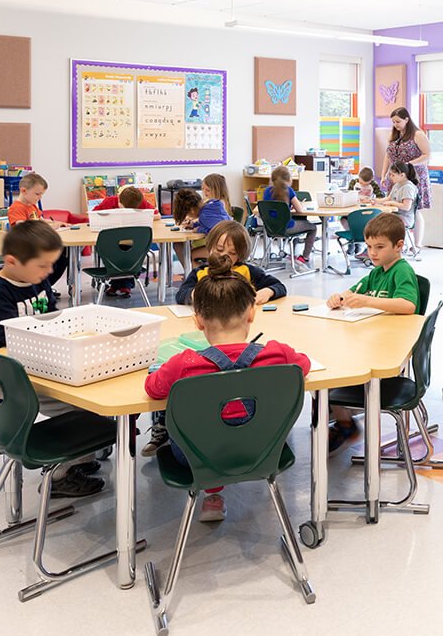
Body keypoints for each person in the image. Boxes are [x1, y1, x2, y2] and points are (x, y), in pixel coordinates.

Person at [145, 252, 310, 522]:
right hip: (263, 449)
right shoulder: (278, 355)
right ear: (252, 313)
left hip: (196, 458)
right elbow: (301, 366)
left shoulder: (182, 364)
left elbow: (153, 389)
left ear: (198, 320)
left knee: (187, 425)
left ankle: (212, 493)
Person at [0, 220, 103, 498]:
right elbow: (5, 340)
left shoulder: (36, 279)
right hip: (9, 381)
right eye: (43, 265)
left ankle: (78, 458)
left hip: (39, 367)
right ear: (12, 261)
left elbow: (53, 317)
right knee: (81, 409)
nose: (50, 272)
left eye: (51, 265)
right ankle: (59, 474)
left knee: (92, 396)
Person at [324, 212, 419, 453]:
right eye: (368, 247)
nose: (372, 253)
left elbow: (408, 306)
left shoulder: (401, 270)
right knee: (328, 365)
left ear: (399, 246)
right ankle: (343, 419)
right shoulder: (376, 272)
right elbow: (353, 291)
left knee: (329, 376)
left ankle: (344, 421)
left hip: (388, 351)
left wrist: (367, 301)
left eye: (379, 247)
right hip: (372, 341)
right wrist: (339, 297)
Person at [175, 221, 286, 306]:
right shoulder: (200, 273)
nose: (224, 255)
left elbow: (279, 286)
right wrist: (195, 294)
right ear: (209, 248)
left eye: (232, 253)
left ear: (239, 255)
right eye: (219, 249)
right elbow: (181, 295)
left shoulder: (248, 271)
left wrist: (268, 292)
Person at [8, 172, 69, 289]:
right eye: (37, 194)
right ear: (24, 191)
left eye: (41, 194)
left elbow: (40, 219)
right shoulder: (16, 208)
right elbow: (24, 227)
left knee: (62, 257)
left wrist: (58, 223)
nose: (40, 197)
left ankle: (44, 288)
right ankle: (41, 288)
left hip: (37, 244)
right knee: (55, 260)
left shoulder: (32, 205)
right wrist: (48, 227)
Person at [382, 106, 431, 250]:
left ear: (407, 120)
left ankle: (416, 244)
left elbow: (427, 155)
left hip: (414, 175)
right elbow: (387, 156)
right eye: (393, 122)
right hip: (396, 175)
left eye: (398, 121)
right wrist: (385, 173)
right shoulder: (394, 136)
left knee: (414, 209)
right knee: (394, 208)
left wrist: (408, 164)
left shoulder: (418, 134)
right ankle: (398, 242)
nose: (395, 125)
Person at [95, 186, 157, 298]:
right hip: (111, 241)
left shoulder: (140, 202)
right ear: (119, 199)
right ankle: (121, 284)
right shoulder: (109, 202)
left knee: (128, 251)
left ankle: (120, 284)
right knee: (116, 251)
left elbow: (157, 215)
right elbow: (93, 216)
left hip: (132, 242)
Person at [262, 165, 316, 267]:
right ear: (288, 179)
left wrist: (285, 209)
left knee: (297, 222)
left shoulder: (266, 191)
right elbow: (299, 210)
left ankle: (293, 254)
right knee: (313, 227)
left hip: (270, 227)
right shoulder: (289, 191)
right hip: (287, 228)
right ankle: (305, 257)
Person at [384, 162, 419, 252]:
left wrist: (392, 203)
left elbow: (406, 206)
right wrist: (374, 201)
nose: (390, 177)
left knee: (381, 223)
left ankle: (388, 248)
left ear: (402, 175)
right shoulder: (397, 185)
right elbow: (388, 198)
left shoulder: (408, 187)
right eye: (390, 175)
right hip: (396, 215)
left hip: (405, 218)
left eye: (393, 175)